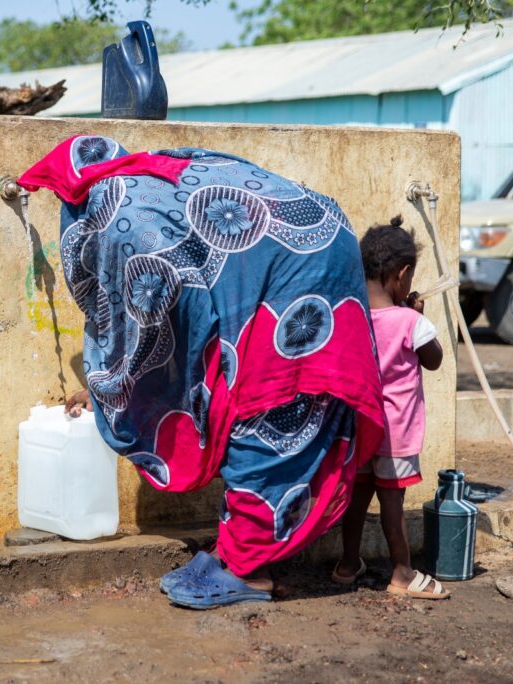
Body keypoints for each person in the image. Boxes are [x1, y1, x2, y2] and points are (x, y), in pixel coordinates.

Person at [20, 135, 385, 608]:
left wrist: (110, 382)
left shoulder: (123, 212)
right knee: (258, 399)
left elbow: (149, 326)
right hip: (313, 242)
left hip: (298, 272)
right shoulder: (152, 174)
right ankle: (240, 553)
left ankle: (250, 571)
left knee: (264, 406)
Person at [332, 216, 449, 599]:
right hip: (396, 431)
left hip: (360, 425)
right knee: (393, 501)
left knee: (357, 496)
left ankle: (349, 564)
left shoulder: (352, 315)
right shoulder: (408, 321)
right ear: (402, 274)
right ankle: (402, 572)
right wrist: (418, 316)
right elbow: (434, 360)